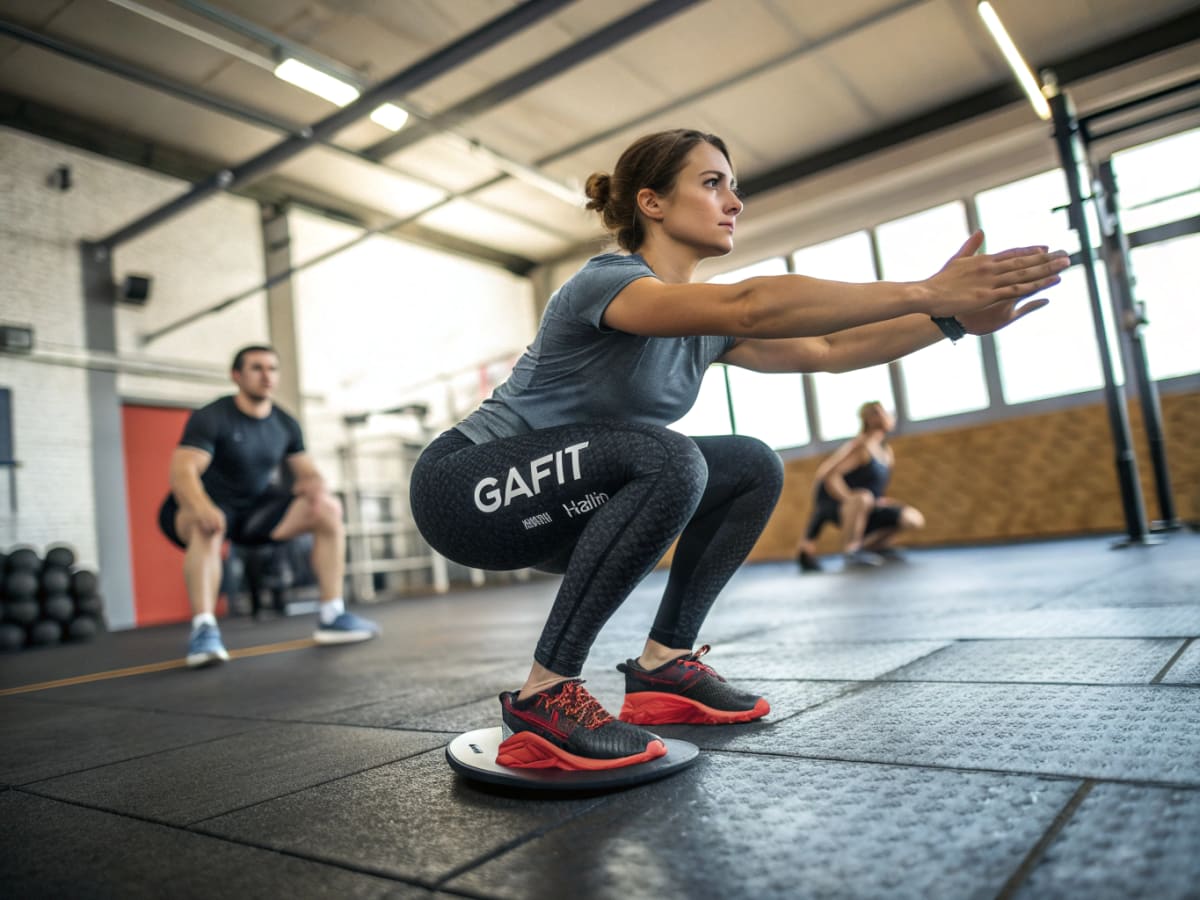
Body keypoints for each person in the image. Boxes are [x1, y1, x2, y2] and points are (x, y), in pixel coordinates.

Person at [409, 129, 1067, 771]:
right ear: (652, 202)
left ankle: (665, 668)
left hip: (559, 508)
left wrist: (948, 320)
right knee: (670, 455)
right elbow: (752, 306)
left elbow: (831, 350)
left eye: (735, 187)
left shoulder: (703, 328)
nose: (734, 201)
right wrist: (928, 291)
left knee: (751, 464)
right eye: (712, 182)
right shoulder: (604, 282)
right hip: (464, 492)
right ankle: (544, 697)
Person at [159, 345, 379, 667]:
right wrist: (201, 507)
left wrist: (316, 486)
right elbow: (183, 471)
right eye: (257, 368)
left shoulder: (285, 423)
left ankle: (333, 615)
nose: (267, 376)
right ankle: (204, 630)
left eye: (272, 369)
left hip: (253, 512)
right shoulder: (212, 416)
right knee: (206, 525)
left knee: (329, 511)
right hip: (198, 505)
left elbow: (307, 471)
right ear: (237, 376)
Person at [795, 401, 924, 572]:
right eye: (882, 412)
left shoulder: (886, 453)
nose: (889, 416)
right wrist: (850, 498)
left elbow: (875, 485)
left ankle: (875, 547)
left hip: (869, 506)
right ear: (871, 418)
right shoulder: (860, 446)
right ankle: (852, 550)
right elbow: (830, 475)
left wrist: (879, 500)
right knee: (863, 497)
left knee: (913, 518)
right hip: (844, 508)